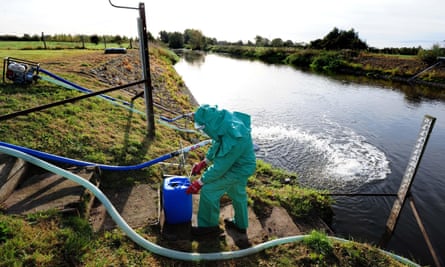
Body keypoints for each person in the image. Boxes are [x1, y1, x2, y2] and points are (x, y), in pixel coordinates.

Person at [186, 104, 257, 236]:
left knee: (208, 190)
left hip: (238, 169)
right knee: (237, 193)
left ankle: (209, 228)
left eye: (203, 128)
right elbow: (217, 142)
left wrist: (199, 183)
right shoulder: (223, 122)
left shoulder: (234, 137)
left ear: (209, 124)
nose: (203, 131)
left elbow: (220, 168)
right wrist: (205, 161)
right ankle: (241, 225)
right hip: (243, 164)